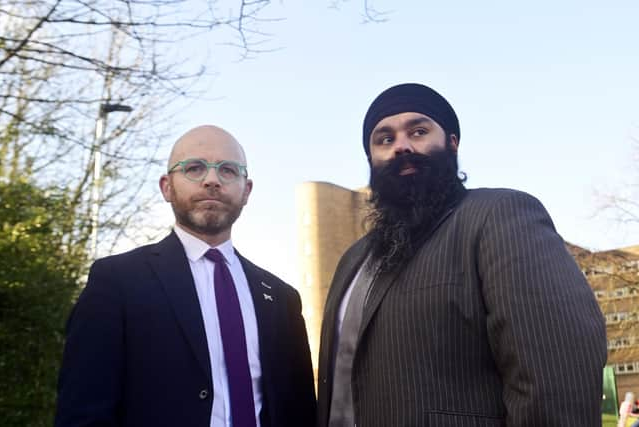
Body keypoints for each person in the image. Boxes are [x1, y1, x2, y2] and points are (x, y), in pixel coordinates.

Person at [317, 83, 607, 427]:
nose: (401, 146)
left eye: (419, 131)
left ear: (452, 143)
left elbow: (559, 379)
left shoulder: (500, 216)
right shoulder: (353, 260)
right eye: (385, 139)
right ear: (371, 160)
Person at [55, 125, 316, 427]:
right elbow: (83, 410)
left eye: (228, 170)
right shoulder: (116, 282)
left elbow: (299, 410)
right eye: (194, 168)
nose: (212, 180)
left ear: (246, 190)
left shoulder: (282, 298)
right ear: (167, 186)